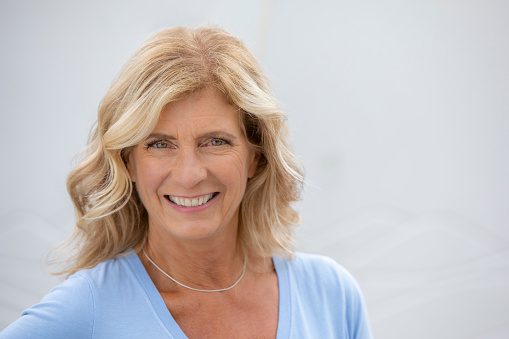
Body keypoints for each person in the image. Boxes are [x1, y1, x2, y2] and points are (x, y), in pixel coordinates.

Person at [1, 26, 372, 338]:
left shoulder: (331, 295)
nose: (190, 174)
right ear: (128, 161)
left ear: (256, 157)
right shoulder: (85, 311)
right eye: (160, 144)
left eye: (215, 142)